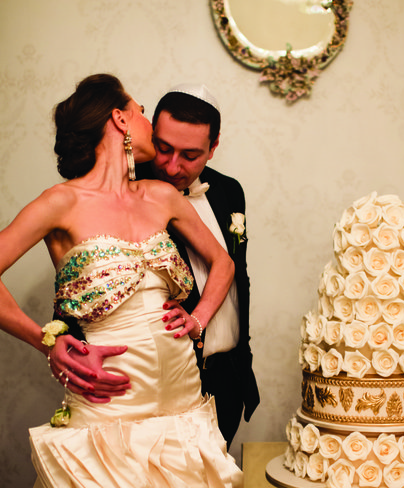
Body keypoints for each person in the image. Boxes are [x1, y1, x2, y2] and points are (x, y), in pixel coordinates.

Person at [0, 73, 285, 488]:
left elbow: (223, 261)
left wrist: (200, 316)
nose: (145, 116)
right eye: (139, 108)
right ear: (119, 119)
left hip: (183, 401)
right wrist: (48, 341)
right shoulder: (59, 203)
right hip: (112, 400)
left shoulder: (160, 194)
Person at [48, 84, 259, 447]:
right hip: (155, 378)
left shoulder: (229, 192)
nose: (171, 165)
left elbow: (230, 267)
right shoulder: (126, 191)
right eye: (163, 148)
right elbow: (86, 276)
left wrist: (201, 318)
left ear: (214, 146)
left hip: (229, 377)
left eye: (190, 155)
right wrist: (57, 338)